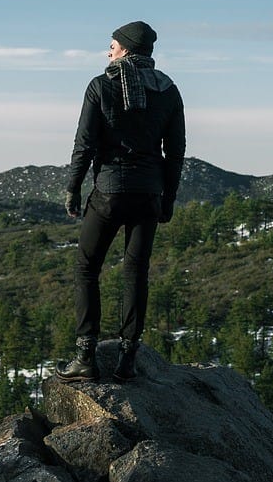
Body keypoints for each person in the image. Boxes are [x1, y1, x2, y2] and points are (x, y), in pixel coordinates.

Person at [56, 20, 186, 383]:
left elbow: (84, 143)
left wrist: (73, 188)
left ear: (126, 49)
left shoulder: (101, 85)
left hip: (109, 193)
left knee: (86, 269)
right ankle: (127, 359)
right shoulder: (168, 90)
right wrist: (169, 199)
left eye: (112, 44)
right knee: (136, 273)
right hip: (149, 195)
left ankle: (85, 356)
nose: (108, 50)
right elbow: (175, 152)